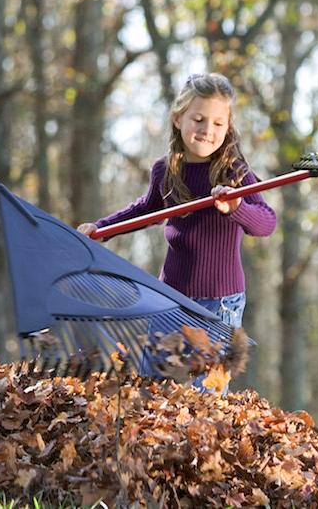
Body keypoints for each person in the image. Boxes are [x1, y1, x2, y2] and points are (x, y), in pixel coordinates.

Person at [77, 73, 275, 386]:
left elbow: (266, 222)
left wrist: (236, 207)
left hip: (219, 304)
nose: (207, 130)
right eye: (198, 119)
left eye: (218, 123)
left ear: (228, 127)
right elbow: (145, 210)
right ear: (178, 119)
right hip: (169, 296)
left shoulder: (234, 171)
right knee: (152, 384)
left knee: (203, 398)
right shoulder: (165, 170)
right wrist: (101, 229)